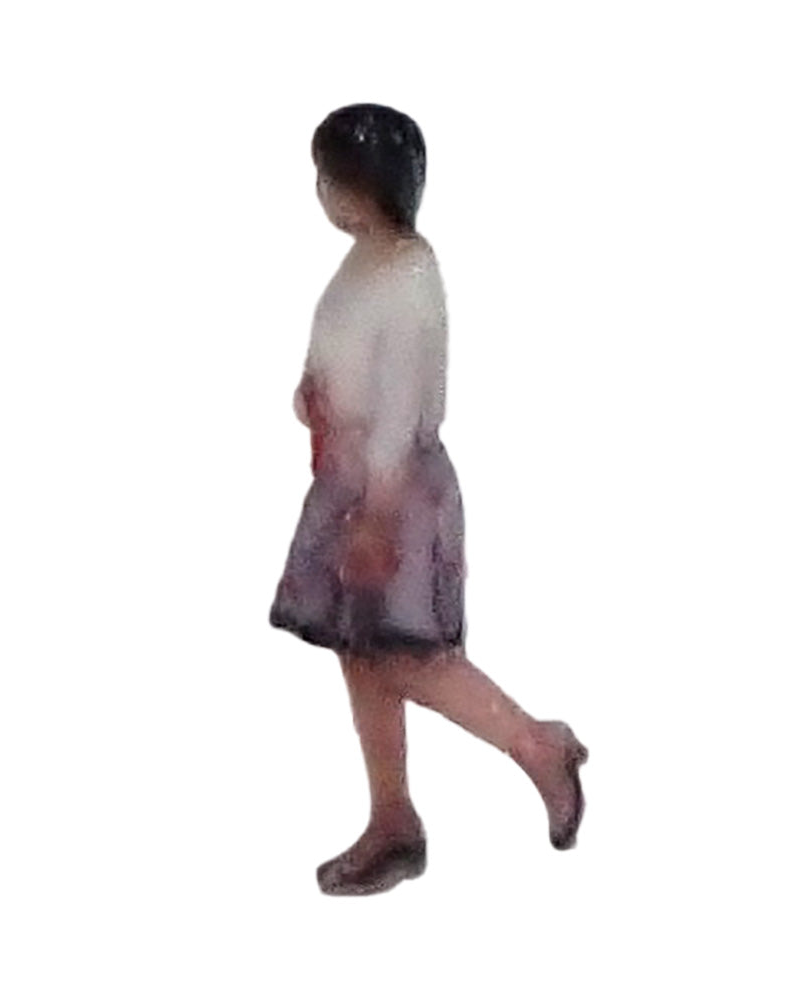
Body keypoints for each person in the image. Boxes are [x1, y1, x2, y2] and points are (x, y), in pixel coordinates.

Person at [270, 103, 588, 895]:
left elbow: (404, 404)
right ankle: (391, 816)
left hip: (392, 494)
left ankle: (535, 745)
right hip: (344, 484)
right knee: (360, 650)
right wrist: (312, 394)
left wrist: (378, 515)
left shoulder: (410, 276)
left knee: (408, 655)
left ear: (361, 187)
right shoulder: (365, 263)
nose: (321, 192)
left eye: (328, 178)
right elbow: (343, 356)